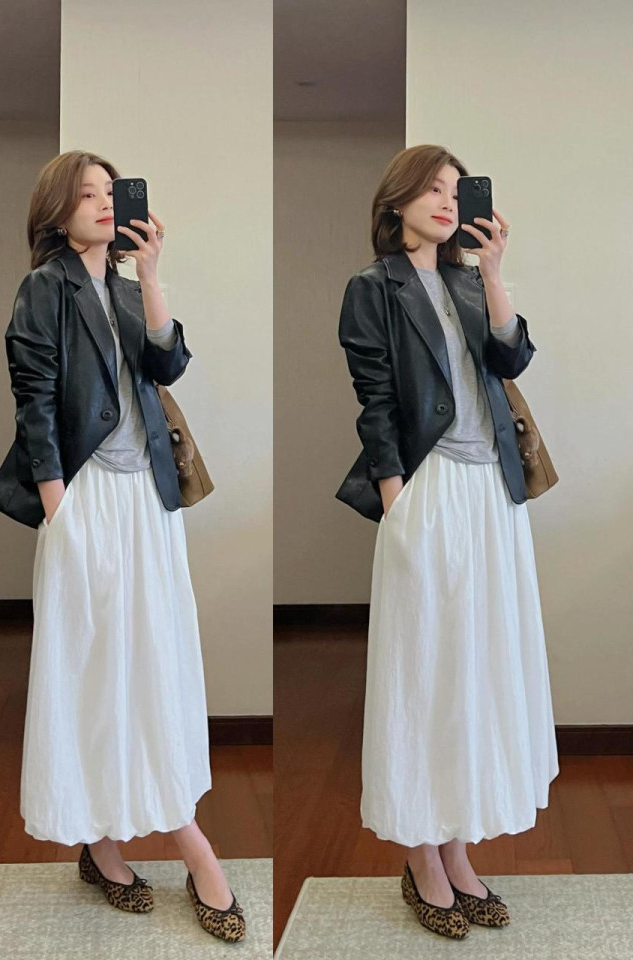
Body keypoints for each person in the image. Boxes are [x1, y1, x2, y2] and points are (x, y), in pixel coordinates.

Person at [0, 150, 245, 942]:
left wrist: (152, 272)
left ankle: (141, 837)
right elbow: (33, 397)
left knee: (153, 664)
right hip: (87, 497)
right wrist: (59, 510)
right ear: (57, 211)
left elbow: (169, 364)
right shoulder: (45, 287)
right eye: (86, 194)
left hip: (148, 503)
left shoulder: (129, 290)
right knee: (93, 668)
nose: (103, 203)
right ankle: (127, 845)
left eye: (110, 191)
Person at [336, 144, 559, 940]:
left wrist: (493, 271)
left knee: (478, 670)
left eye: (456, 191)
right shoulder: (373, 287)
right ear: (396, 200)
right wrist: (396, 500)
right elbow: (374, 400)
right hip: (426, 490)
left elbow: (512, 357)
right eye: (432, 188)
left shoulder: (468, 281)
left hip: (492, 494)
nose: (445, 200)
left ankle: (457, 848)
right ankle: (422, 856)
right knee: (425, 669)